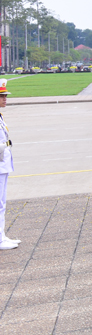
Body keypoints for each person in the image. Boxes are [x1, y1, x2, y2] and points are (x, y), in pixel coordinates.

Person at [0, 81, 20, 251]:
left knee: (2, 203)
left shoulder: (0, 115)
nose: (5, 99)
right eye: (2, 96)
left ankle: (1, 235)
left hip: (3, 164)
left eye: (5, 96)